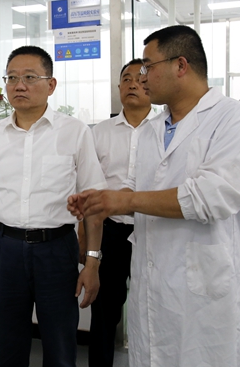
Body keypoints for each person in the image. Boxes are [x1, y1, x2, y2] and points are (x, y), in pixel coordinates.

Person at [68, 25, 240, 367]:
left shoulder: (237, 120)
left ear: (181, 65)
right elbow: (137, 188)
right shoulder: (153, 129)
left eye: (148, 66)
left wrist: (124, 201)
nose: (142, 77)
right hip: (154, 283)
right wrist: (101, 199)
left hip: (207, 289)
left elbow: (211, 197)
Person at [0, 46, 107, 367]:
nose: (19, 85)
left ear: (51, 85)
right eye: (12, 78)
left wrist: (92, 263)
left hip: (56, 250)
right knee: (8, 344)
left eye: (30, 77)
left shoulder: (75, 132)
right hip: (5, 249)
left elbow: (93, 204)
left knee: (60, 343)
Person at [80, 59, 156, 367]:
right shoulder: (99, 132)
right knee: (105, 309)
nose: (133, 84)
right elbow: (87, 187)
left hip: (154, 229)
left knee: (153, 306)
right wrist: (85, 239)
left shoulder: (167, 128)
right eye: (126, 79)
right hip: (109, 231)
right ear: (119, 87)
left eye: (141, 78)